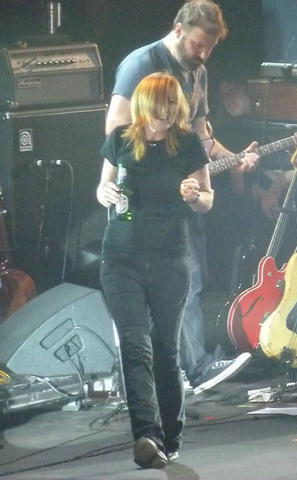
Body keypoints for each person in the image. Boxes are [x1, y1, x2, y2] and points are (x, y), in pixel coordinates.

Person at [105, 0, 257, 395]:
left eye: (210, 48)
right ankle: (178, 370)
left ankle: (191, 368)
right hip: (141, 203)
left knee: (189, 279)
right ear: (178, 30)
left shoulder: (198, 73)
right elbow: (117, 129)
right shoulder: (141, 65)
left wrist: (232, 158)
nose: (203, 54)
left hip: (182, 201)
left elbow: (200, 136)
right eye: (197, 45)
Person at [97, 72, 212, 468]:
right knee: (135, 346)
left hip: (170, 260)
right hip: (121, 259)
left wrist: (194, 196)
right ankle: (147, 435)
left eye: (173, 105)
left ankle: (170, 437)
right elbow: (102, 187)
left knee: (165, 349)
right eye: (160, 106)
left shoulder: (188, 144)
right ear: (144, 105)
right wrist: (105, 193)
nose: (166, 113)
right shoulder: (121, 140)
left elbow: (207, 200)